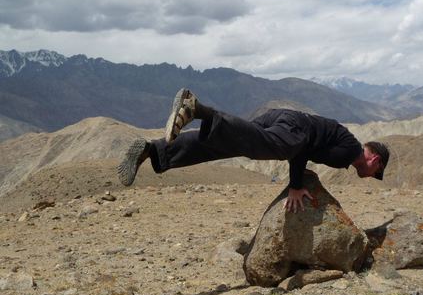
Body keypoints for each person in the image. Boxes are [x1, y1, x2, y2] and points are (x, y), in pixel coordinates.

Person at [117, 88, 389, 212]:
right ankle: (199, 110)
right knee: (274, 148)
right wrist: (296, 185)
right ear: (374, 159)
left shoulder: (348, 145)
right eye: (377, 171)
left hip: (280, 119)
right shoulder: (350, 153)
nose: (372, 175)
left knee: (226, 144)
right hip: (295, 129)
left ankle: (154, 151)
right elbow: (301, 150)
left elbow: (304, 151)